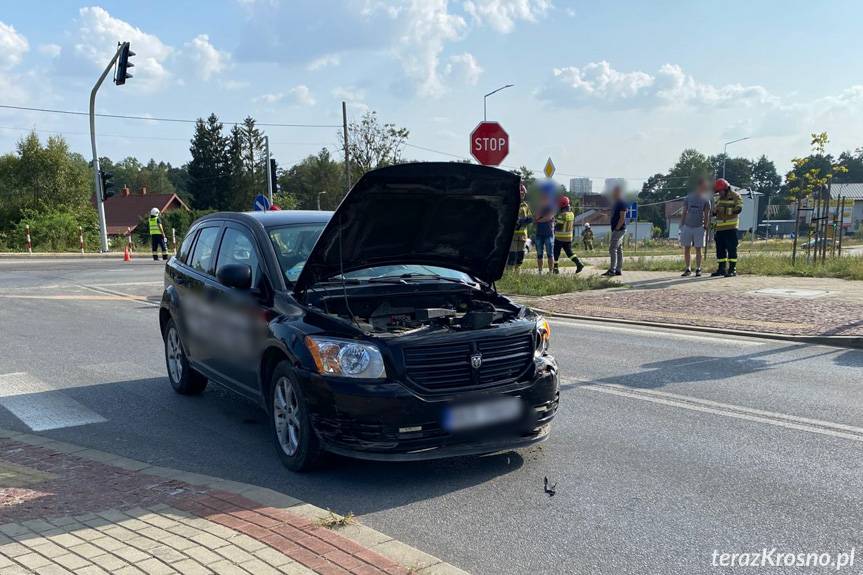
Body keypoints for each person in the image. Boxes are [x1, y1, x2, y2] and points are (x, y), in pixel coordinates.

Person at [679, 177, 711, 277]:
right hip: (687, 226)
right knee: (687, 248)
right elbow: (684, 211)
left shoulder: (706, 200)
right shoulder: (688, 198)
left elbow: (707, 215)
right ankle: (688, 268)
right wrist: (682, 225)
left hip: (699, 227)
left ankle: (698, 269)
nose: (705, 188)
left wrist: (705, 226)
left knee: (698, 249)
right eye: (703, 186)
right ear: (699, 186)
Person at [711, 178, 743, 277]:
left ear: (726, 189)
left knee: (731, 249)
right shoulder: (718, 199)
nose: (719, 193)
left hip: (731, 228)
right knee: (720, 250)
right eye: (717, 192)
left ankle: (732, 269)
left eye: (720, 191)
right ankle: (721, 268)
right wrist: (714, 212)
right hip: (720, 228)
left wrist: (724, 210)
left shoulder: (735, 196)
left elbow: (738, 209)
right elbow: (715, 212)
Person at [552, 196, 584, 274]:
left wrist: (554, 222)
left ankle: (555, 269)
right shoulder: (572, 214)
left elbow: (558, 227)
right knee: (569, 252)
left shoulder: (562, 215)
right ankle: (578, 263)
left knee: (556, 253)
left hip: (560, 237)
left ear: (562, 205)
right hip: (568, 237)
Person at [602, 185, 627, 276]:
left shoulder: (622, 202)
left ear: (619, 192)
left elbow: (622, 218)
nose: (612, 193)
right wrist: (606, 211)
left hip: (619, 230)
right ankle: (618, 270)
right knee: (619, 249)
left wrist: (616, 228)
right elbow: (613, 211)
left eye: (614, 192)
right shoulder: (616, 203)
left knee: (612, 249)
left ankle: (612, 270)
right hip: (617, 229)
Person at [507, 183, 532, 269]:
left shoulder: (525, 206)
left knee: (520, 257)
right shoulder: (511, 204)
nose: (523, 195)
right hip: (512, 235)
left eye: (523, 194)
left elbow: (530, 218)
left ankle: (517, 275)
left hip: (522, 236)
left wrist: (522, 221)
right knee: (512, 256)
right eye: (521, 193)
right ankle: (509, 275)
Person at [534, 189, 556, 274]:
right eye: (542, 198)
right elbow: (536, 217)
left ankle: (550, 271)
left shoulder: (551, 207)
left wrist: (540, 219)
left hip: (549, 234)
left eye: (545, 198)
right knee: (539, 254)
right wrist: (541, 218)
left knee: (550, 254)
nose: (543, 199)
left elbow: (549, 217)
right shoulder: (538, 207)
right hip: (539, 234)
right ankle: (540, 271)